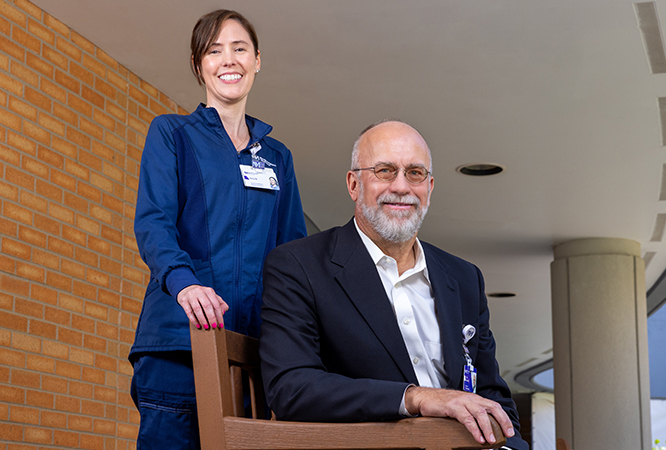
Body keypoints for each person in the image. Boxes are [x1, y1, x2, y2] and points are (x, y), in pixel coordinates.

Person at [260, 120, 528, 450]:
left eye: (414, 173)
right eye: (385, 171)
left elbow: (494, 398)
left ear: (430, 188)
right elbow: (291, 387)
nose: (401, 186)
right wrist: (415, 398)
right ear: (353, 184)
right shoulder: (298, 265)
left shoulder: (464, 278)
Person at [130, 10, 306, 449]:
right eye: (214, 50)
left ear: (258, 60)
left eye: (239, 48)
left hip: (248, 356)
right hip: (178, 346)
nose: (228, 60)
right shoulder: (172, 134)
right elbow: (153, 222)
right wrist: (184, 285)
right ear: (199, 66)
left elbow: (292, 253)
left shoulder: (277, 158)